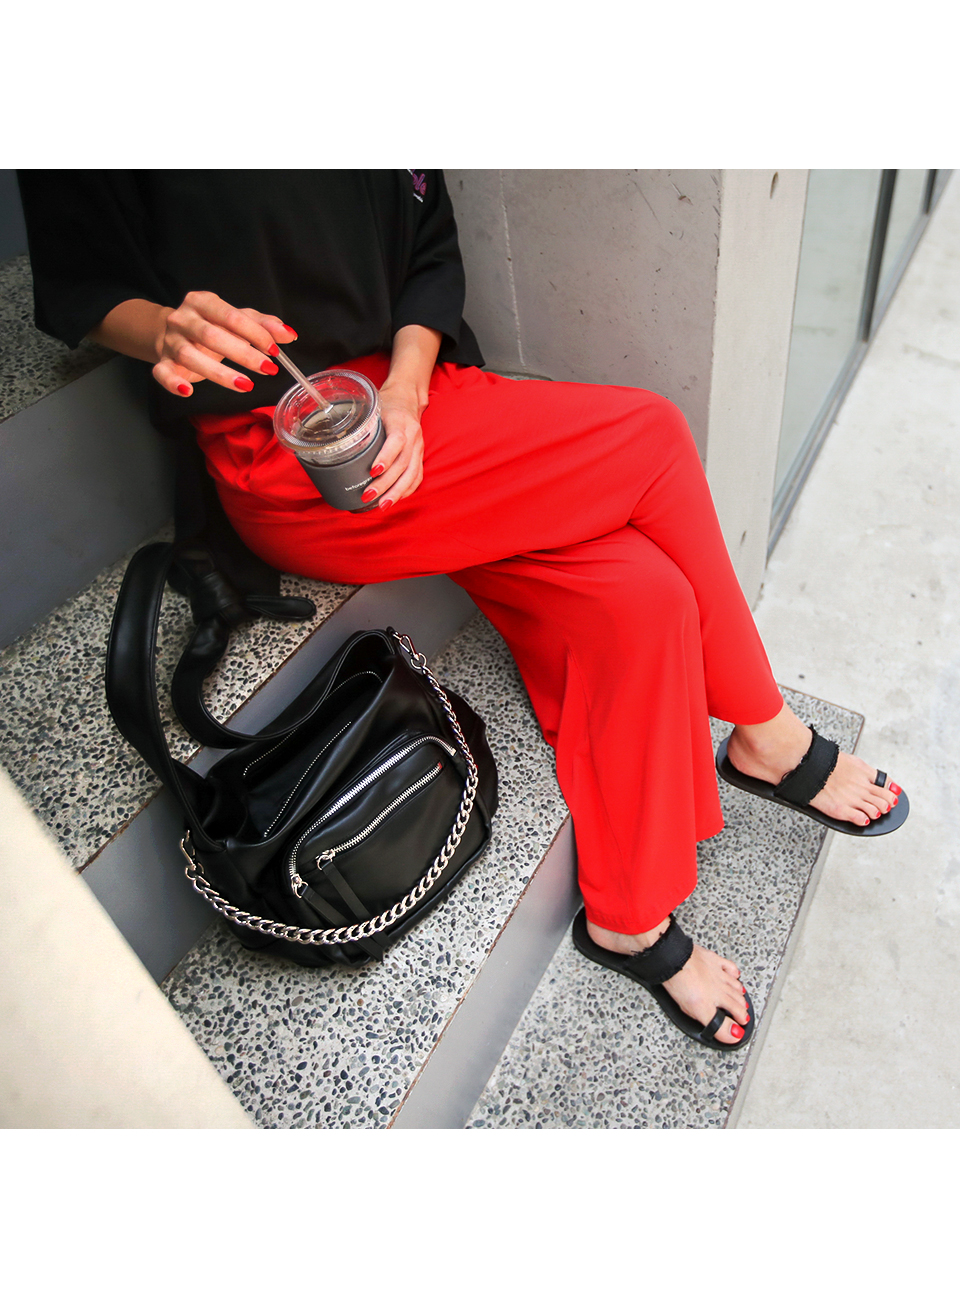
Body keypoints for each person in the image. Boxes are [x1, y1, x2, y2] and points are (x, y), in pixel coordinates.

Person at [18, 169, 906, 1052]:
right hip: (290, 448)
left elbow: (428, 247)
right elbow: (79, 281)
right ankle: (769, 735)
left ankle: (629, 919)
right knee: (654, 438)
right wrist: (165, 328)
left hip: (421, 401)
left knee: (643, 597)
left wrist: (408, 389)